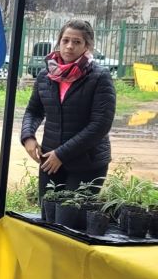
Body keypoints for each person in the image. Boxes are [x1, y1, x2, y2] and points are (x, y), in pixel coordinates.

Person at [21, 19, 116, 200]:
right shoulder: (46, 75)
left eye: (77, 42)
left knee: (71, 215)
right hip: (50, 160)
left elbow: (100, 124)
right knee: (48, 213)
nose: (69, 46)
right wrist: (28, 137)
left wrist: (61, 154)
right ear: (59, 42)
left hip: (86, 163)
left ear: (87, 46)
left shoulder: (99, 77)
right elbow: (34, 111)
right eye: (65, 40)